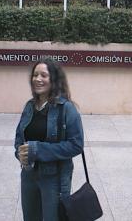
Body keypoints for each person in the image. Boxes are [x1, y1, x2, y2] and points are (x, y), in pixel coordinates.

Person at [14, 58, 84, 221]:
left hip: (54, 178)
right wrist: (20, 154)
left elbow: (76, 145)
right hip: (28, 175)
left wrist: (37, 150)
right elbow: (19, 138)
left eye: (43, 75)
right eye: (35, 75)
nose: (38, 79)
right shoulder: (29, 106)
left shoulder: (66, 108)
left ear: (54, 79)